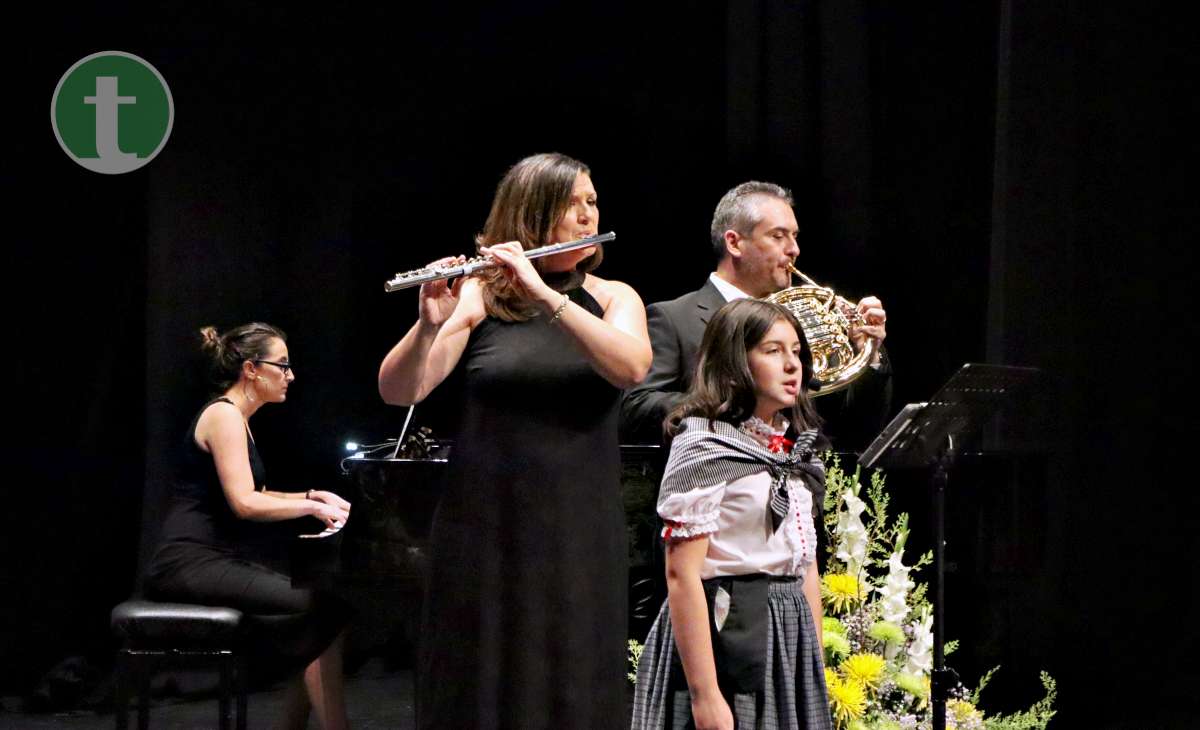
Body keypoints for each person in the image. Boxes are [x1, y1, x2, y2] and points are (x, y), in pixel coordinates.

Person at [377, 152, 652, 729]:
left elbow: (630, 369)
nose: (587, 216)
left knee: (572, 678)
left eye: (592, 202)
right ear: (533, 213)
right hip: (486, 529)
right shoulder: (480, 296)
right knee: (482, 682)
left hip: (578, 528)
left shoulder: (613, 298)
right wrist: (428, 322)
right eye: (573, 204)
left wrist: (548, 297)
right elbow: (402, 390)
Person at [631, 298, 832, 730]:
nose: (792, 364)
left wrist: (812, 668)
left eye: (796, 350)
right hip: (728, 630)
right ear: (736, 361)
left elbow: (806, 565)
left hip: (787, 629)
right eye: (773, 351)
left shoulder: (792, 452)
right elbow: (681, 575)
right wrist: (706, 696)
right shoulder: (706, 446)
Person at [146, 323, 352, 730]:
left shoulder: (238, 417)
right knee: (318, 607)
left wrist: (312, 495)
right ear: (252, 369)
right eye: (283, 365)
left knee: (328, 608)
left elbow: (257, 491)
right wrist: (310, 508)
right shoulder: (223, 416)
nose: (290, 375)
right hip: (186, 562)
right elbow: (245, 503)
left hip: (209, 559)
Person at [621, 180, 892, 452]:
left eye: (795, 236)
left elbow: (857, 429)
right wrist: (726, 402)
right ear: (734, 243)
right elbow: (636, 408)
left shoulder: (796, 323)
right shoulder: (673, 317)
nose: (794, 250)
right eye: (778, 236)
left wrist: (868, 354)